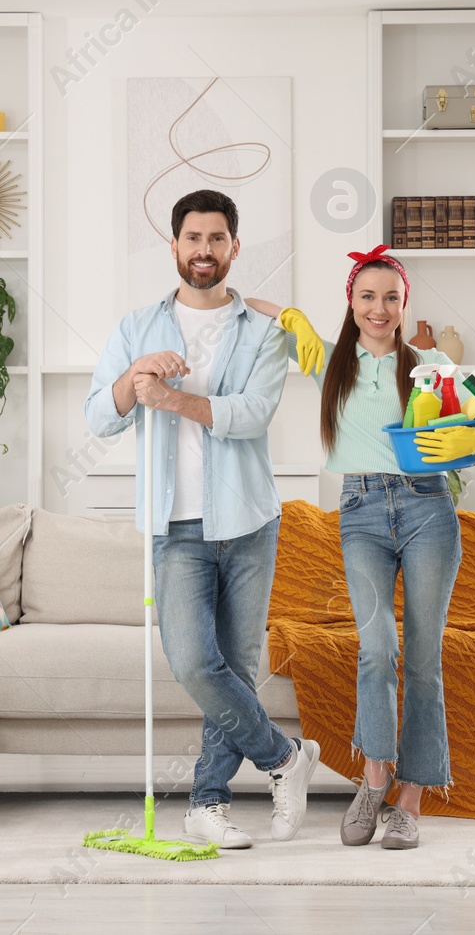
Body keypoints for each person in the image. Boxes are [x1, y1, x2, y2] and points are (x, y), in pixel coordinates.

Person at [247, 244, 475, 849]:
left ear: (403, 304)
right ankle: (374, 779)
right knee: (375, 649)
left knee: (422, 658)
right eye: (367, 296)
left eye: (390, 297)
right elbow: (276, 316)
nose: (379, 308)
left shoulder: (430, 364)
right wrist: (232, 300)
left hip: (428, 510)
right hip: (361, 511)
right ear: (351, 301)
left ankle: (411, 800)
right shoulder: (332, 363)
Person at [84, 189, 322, 849]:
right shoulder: (137, 327)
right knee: (194, 660)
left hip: (248, 521)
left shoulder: (264, 332)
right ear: (175, 246)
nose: (204, 251)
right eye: (193, 238)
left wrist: (173, 397)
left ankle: (207, 805)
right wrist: (137, 379)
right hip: (176, 526)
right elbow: (99, 415)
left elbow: (248, 417)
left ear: (234, 248)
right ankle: (286, 759)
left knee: (236, 669)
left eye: (217, 239)